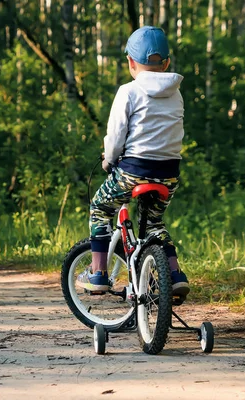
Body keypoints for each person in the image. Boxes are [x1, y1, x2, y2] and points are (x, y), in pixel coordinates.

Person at [76, 26, 190, 299]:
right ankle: (174, 276)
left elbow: (116, 135)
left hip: (133, 171)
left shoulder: (128, 91)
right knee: (154, 223)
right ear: (167, 63)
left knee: (101, 208)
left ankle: (98, 274)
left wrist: (109, 160)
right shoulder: (176, 94)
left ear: (130, 62)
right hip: (168, 173)